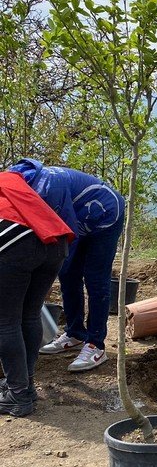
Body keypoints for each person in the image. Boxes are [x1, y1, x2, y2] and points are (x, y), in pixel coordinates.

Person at [9, 159, 124, 372]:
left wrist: (41, 275)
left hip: (106, 215)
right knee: (68, 274)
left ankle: (96, 344)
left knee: (95, 278)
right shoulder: (16, 184)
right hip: (79, 217)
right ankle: (75, 333)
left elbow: (66, 234)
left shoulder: (48, 188)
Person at [0, 171, 73, 416]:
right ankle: (26, 387)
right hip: (55, 240)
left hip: (15, 242)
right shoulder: (9, 178)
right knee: (29, 315)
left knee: (4, 321)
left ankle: (18, 395)